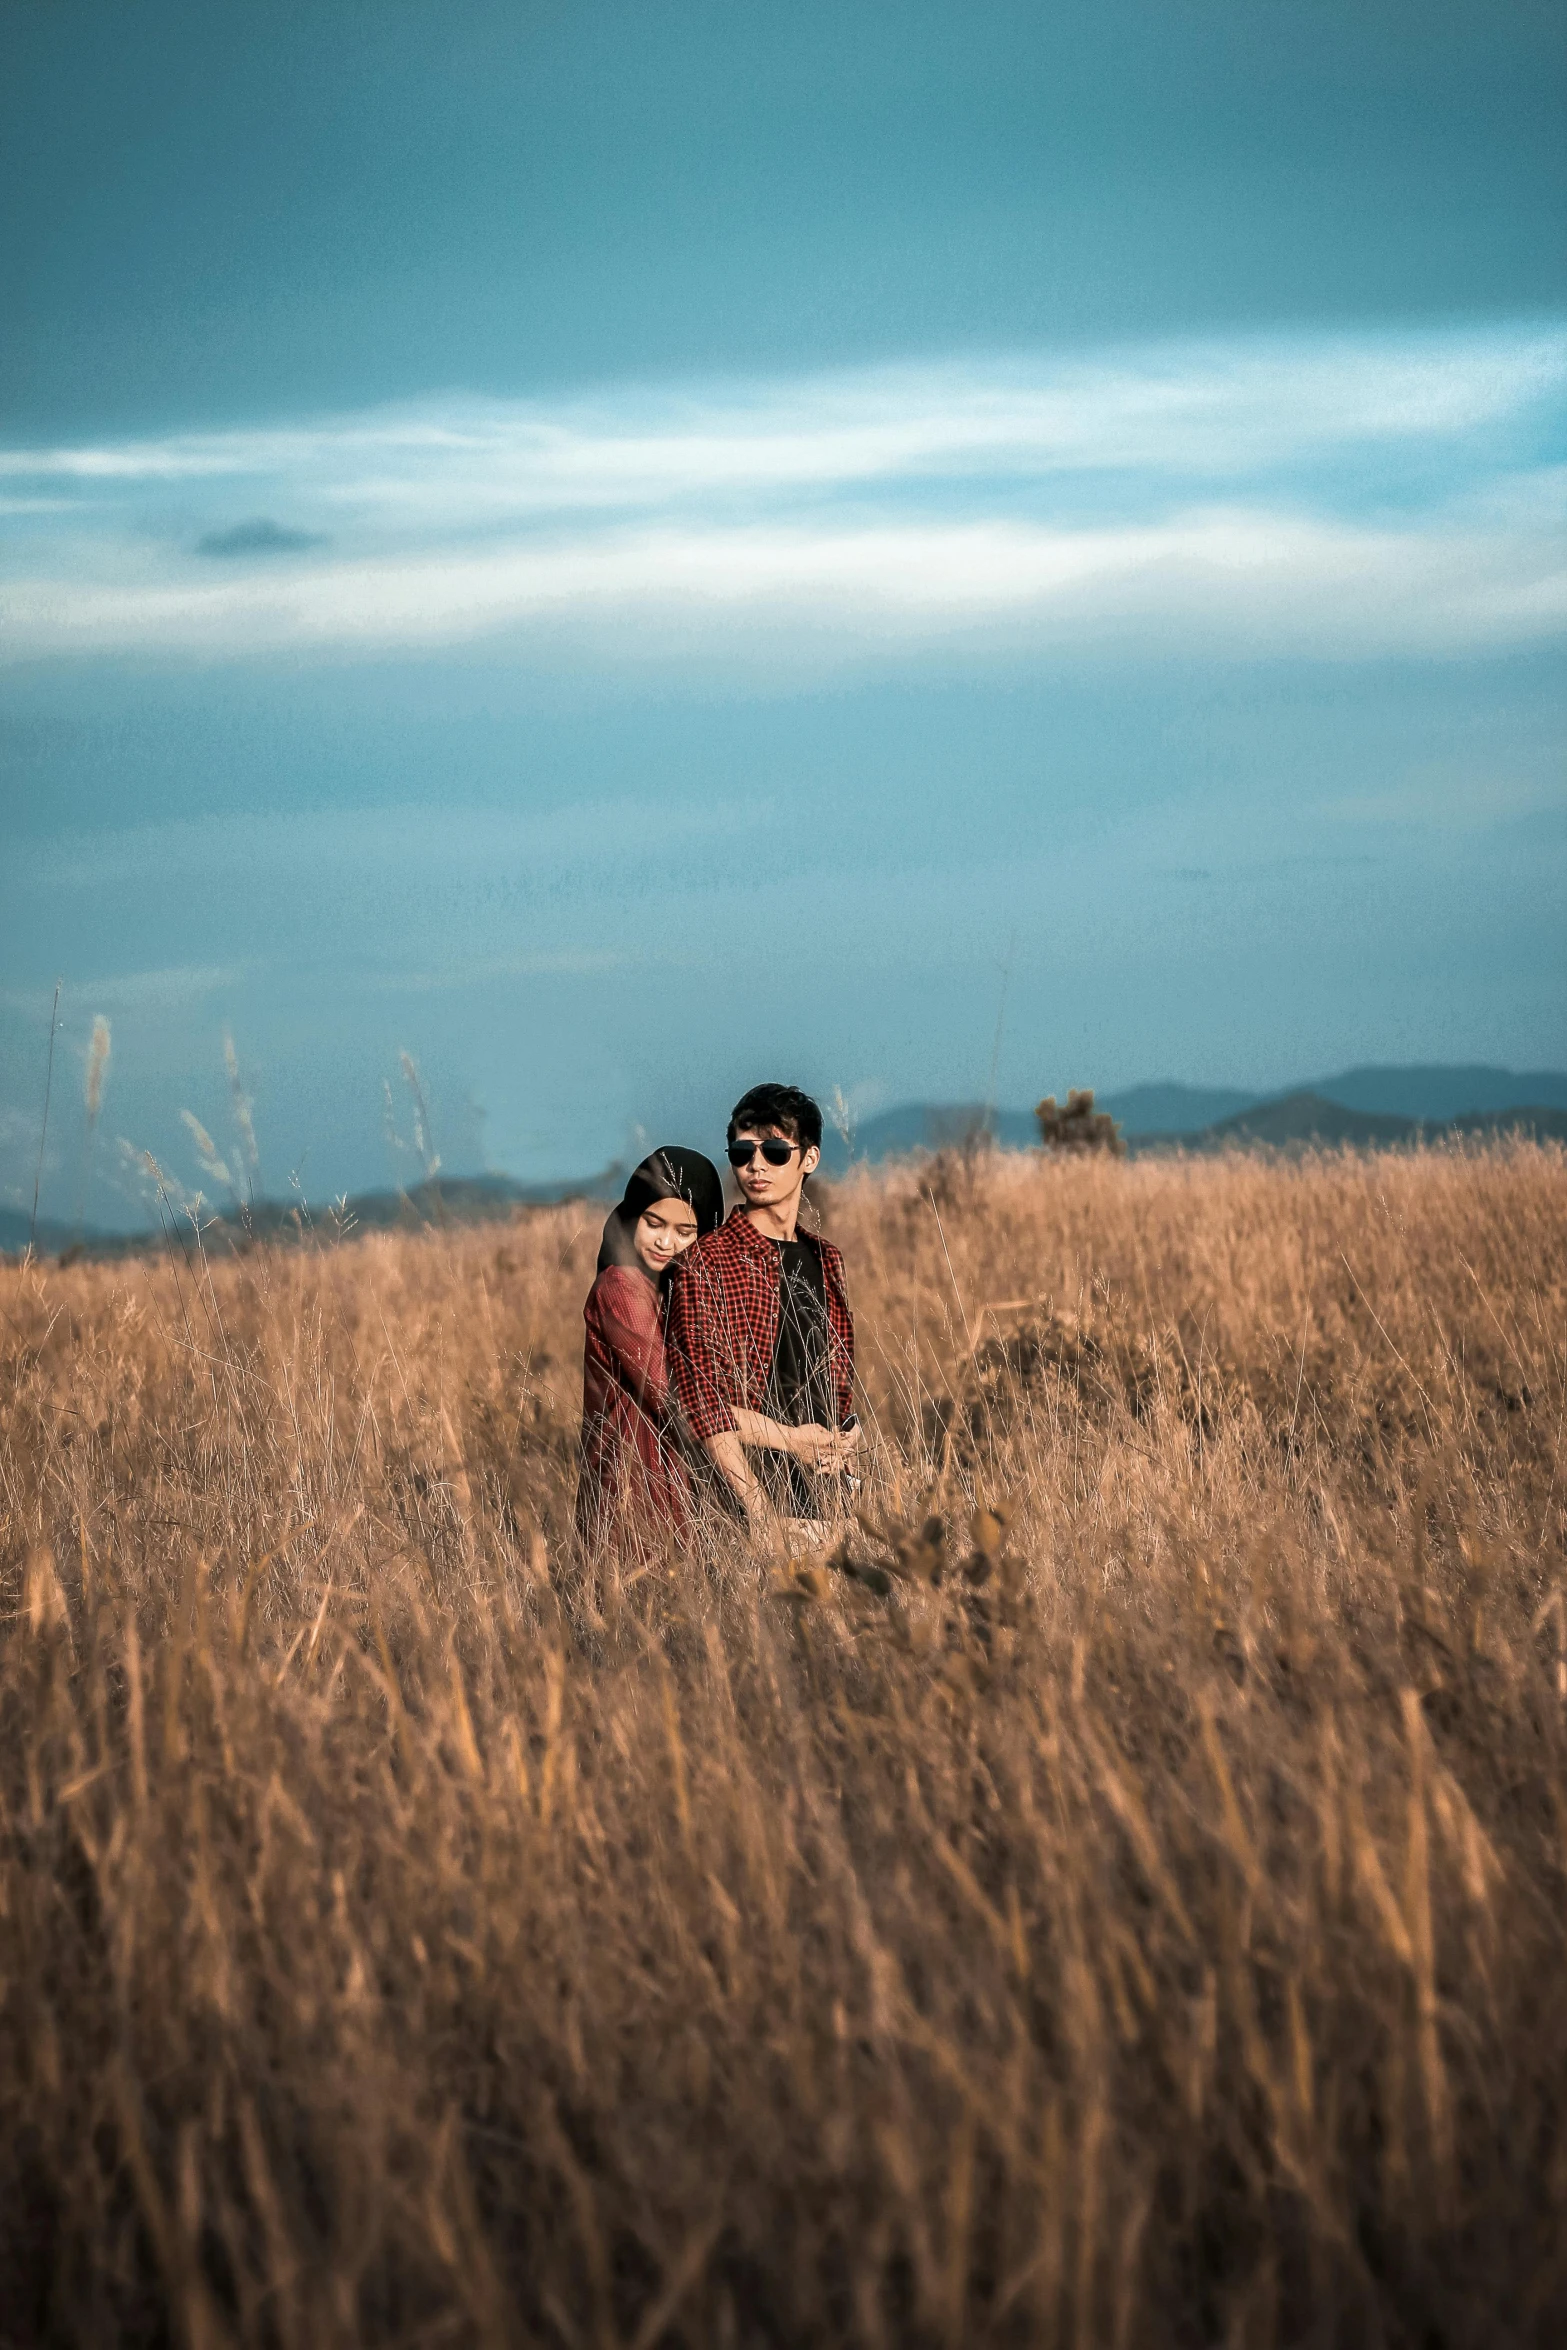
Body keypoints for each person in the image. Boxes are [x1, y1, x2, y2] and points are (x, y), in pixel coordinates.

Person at [667, 1083, 858, 1533]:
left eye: (774, 1151)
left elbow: (837, 1379)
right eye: (741, 1151)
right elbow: (700, 1402)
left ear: (808, 1159)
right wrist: (762, 1515)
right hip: (757, 1506)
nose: (755, 1165)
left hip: (833, 1498)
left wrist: (849, 1448)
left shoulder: (827, 1258)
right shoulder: (706, 1262)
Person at [575, 1146, 724, 1557]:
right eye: (653, 1222)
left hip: (680, 1493)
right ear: (632, 1217)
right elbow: (677, 1398)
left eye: (685, 1232)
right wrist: (785, 1437)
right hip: (633, 1499)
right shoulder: (621, 1287)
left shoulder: (676, 1291)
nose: (665, 1242)